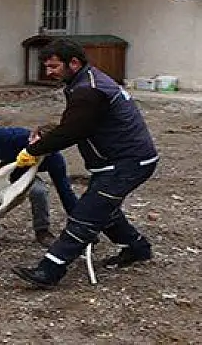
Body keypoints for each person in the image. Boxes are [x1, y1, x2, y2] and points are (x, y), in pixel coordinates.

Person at [11, 39, 159, 289]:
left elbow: (73, 130)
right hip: (115, 160)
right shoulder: (82, 82)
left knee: (86, 214)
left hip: (128, 161)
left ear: (74, 63)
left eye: (54, 66)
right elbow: (76, 125)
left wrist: (33, 150)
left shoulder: (89, 89)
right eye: (46, 67)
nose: (49, 72)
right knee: (105, 208)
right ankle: (137, 248)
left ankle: (50, 269)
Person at [0, 122, 78, 247]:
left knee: (39, 191)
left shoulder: (53, 159)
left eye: (48, 148)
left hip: (21, 175)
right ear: (32, 135)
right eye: (39, 144)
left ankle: (43, 231)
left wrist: (81, 224)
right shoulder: (14, 136)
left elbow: (65, 192)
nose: (41, 149)